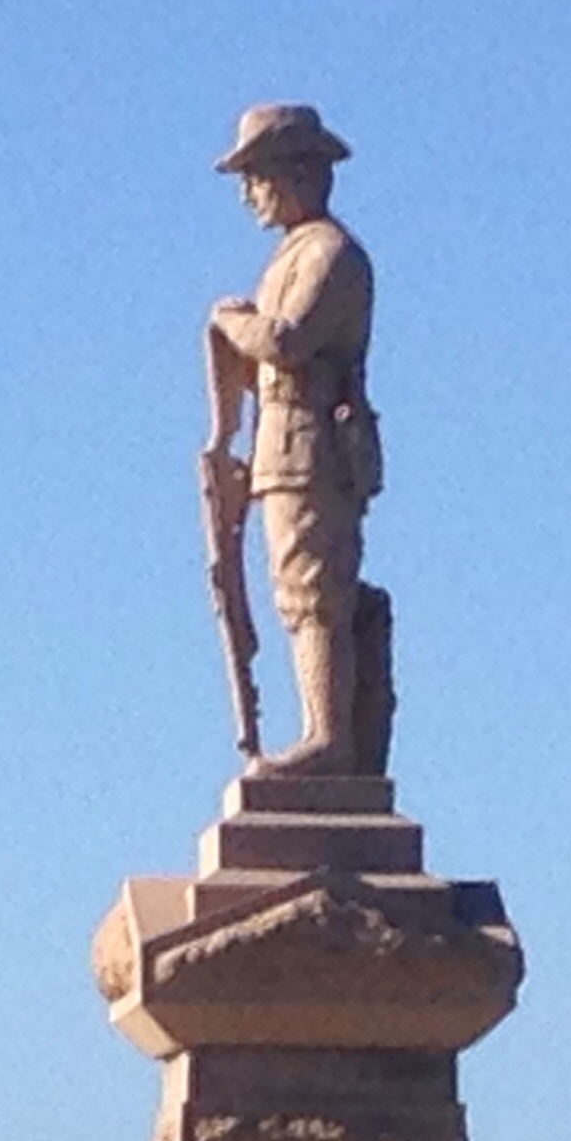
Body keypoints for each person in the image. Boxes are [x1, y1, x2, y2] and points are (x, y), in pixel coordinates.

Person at [205, 101, 387, 776]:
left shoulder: (333, 255)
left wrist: (231, 321)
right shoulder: (292, 256)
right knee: (292, 588)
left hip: (316, 446)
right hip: (281, 442)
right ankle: (321, 729)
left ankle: (328, 737)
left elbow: (287, 341)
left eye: (258, 176)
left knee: (314, 588)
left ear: (301, 174)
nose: (249, 193)